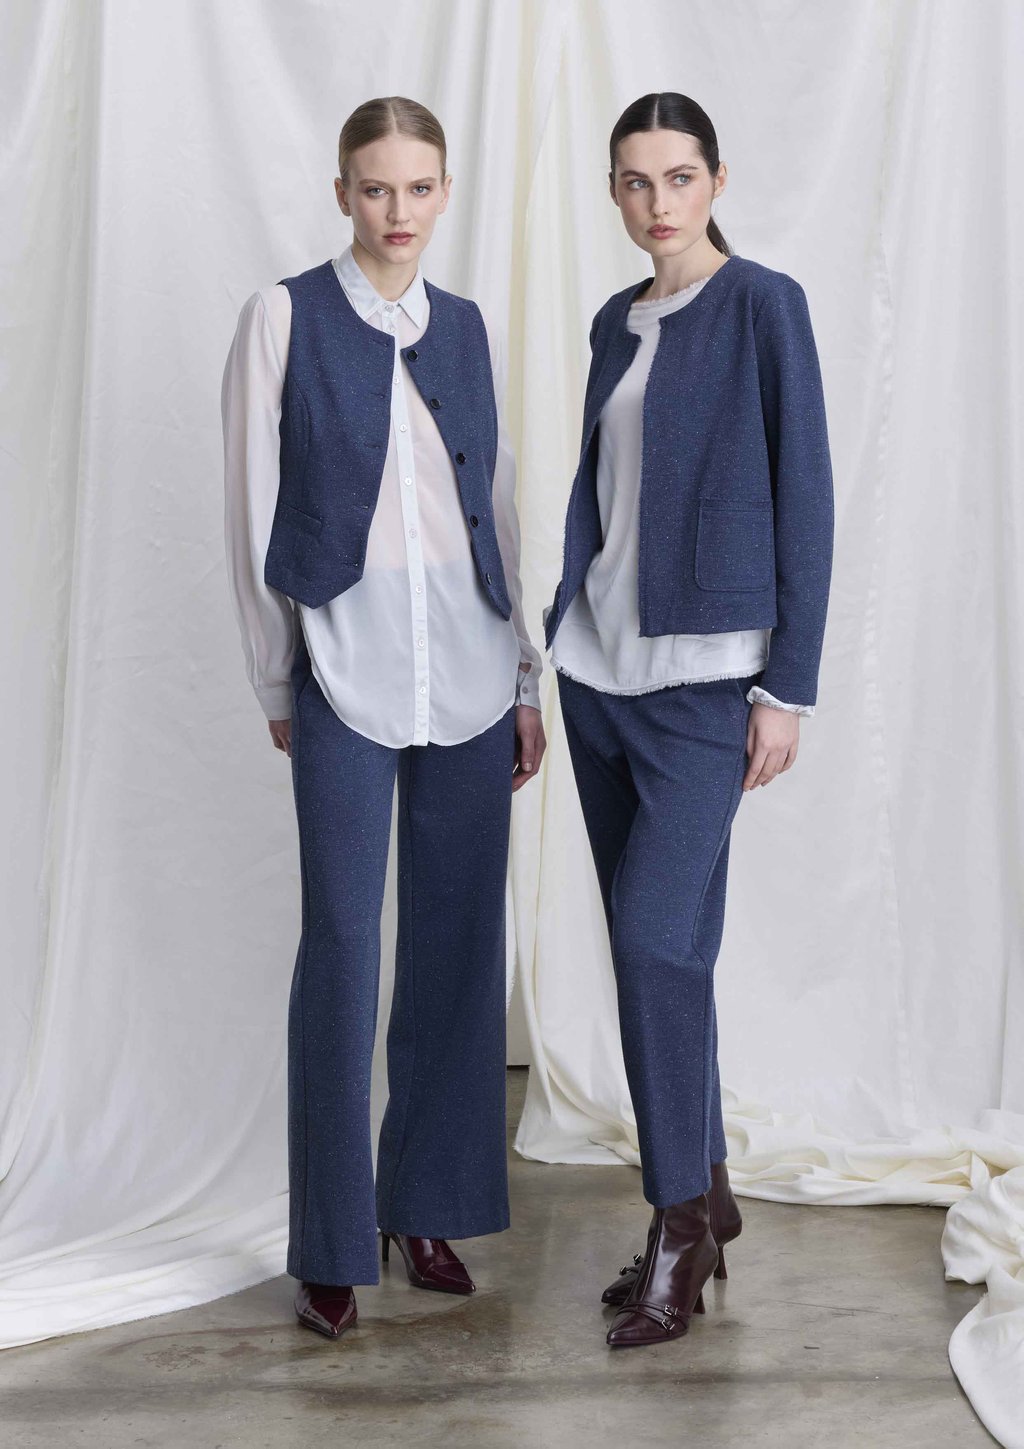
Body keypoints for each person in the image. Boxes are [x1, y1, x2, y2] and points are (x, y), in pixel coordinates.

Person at [221, 96, 545, 1342]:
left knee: (457, 948)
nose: (396, 212)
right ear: (342, 193)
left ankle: (429, 1207)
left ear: (443, 193)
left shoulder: (465, 327)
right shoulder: (284, 316)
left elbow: (496, 505)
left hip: (467, 667)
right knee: (344, 948)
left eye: (417, 189)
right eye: (374, 188)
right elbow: (250, 508)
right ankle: (330, 1242)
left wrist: (524, 678)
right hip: (342, 667)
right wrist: (276, 677)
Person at [543, 92, 834, 1349]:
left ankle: (673, 1222)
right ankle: (706, 1193)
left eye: (676, 176)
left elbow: (805, 494)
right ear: (613, 192)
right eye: (632, 180)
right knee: (669, 952)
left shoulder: (764, 304)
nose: (654, 201)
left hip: (708, 681)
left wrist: (787, 687)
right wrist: (552, 628)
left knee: (653, 943)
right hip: (598, 677)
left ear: (716, 180)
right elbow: (599, 488)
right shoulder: (615, 321)